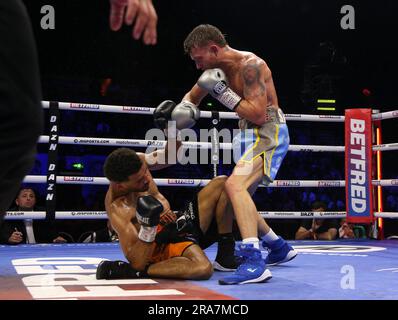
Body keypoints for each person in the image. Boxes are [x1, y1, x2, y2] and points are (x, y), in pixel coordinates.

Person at [178, 24, 297, 285]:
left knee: (234, 185)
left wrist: (221, 92)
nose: (198, 67)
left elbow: (256, 112)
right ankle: (278, 247)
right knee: (234, 197)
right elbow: (193, 95)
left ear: (213, 49)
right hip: (245, 135)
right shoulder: (213, 71)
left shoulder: (251, 66)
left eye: (199, 59)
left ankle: (254, 260)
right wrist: (184, 107)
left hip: (268, 130)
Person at [96, 100, 239, 280]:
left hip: (178, 224)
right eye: (140, 180)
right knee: (203, 269)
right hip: (160, 246)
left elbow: (171, 156)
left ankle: (225, 254)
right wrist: (150, 226)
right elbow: (137, 259)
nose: (147, 179)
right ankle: (136, 274)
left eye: (146, 173)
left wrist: (170, 128)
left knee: (223, 183)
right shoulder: (119, 208)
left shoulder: (138, 161)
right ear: (121, 185)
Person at [0, 188, 67, 244]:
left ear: (35, 201)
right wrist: (9, 239)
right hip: (18, 251)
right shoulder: (9, 215)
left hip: (41, 251)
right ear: (17, 201)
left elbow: (52, 234)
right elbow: (3, 234)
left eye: (31, 196)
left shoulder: (43, 214)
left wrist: (56, 239)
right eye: (24, 196)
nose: (28, 198)